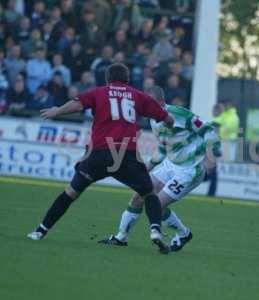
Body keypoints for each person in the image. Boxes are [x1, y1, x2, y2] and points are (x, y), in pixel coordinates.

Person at [27, 63, 175, 255]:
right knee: (149, 194)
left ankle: (40, 231)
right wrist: (169, 123)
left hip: (100, 154)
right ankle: (155, 230)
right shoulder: (138, 96)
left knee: (71, 193)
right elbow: (167, 118)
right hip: (127, 155)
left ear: (108, 79)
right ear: (127, 79)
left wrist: (57, 111)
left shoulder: (99, 92)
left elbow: (77, 104)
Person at [99, 86, 220, 252]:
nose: (144, 107)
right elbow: (164, 148)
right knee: (138, 197)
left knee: (157, 205)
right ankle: (121, 237)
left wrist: (211, 157)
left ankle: (183, 233)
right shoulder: (153, 119)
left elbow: (209, 129)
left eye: (147, 103)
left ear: (160, 102)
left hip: (190, 169)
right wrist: (146, 168)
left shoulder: (178, 113)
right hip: (170, 165)